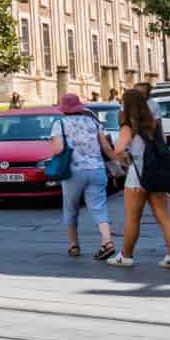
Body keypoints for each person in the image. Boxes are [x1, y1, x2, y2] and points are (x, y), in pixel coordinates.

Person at [108, 86, 170, 269]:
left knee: (133, 218)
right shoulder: (152, 123)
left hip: (137, 175)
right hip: (155, 173)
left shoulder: (128, 126)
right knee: (164, 217)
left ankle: (125, 256)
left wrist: (124, 158)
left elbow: (118, 149)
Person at [48, 92, 117, 261]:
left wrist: (52, 142)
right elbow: (106, 148)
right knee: (98, 207)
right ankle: (107, 242)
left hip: (73, 172)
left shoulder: (60, 124)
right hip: (97, 169)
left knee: (71, 209)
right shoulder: (94, 122)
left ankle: (74, 245)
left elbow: (57, 150)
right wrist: (119, 163)